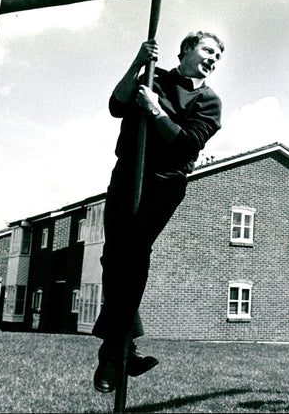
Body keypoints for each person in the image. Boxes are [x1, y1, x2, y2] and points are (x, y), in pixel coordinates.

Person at [92, 31, 225, 393]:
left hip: (164, 182)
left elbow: (186, 145)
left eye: (218, 55)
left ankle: (112, 351)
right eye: (208, 50)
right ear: (185, 50)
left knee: (133, 253)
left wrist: (154, 107)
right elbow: (116, 105)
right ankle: (125, 348)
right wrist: (138, 62)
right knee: (114, 258)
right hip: (126, 174)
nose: (213, 58)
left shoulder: (209, 101)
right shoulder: (154, 77)